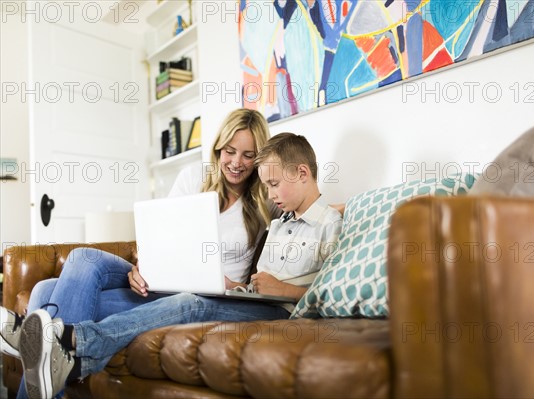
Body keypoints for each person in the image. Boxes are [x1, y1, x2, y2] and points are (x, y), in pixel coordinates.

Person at [18, 133, 343, 399]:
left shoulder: (317, 220)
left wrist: (280, 288)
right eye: (230, 151)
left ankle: (60, 342)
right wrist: (148, 260)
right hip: (217, 290)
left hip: (275, 308)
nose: (271, 193)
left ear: (301, 172)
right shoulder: (279, 221)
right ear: (218, 149)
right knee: (61, 274)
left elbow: (333, 291)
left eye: (273, 184)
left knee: (188, 302)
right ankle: (49, 344)